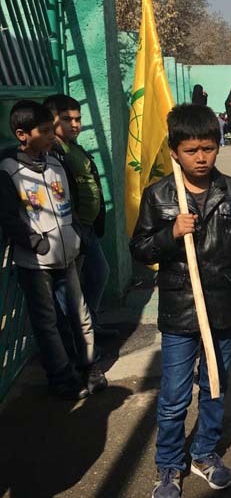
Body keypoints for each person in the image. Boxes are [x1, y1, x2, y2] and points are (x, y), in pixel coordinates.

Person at [130, 104, 231, 498]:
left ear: (218, 146)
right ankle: (169, 464)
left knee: (215, 386)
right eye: (191, 150)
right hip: (180, 311)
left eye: (208, 148)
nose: (201, 157)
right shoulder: (159, 195)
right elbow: (140, 248)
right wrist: (171, 233)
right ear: (174, 151)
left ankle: (204, 453)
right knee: (174, 396)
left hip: (222, 308)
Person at [0, 100, 106, 400]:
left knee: (80, 314)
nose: (50, 136)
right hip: (35, 263)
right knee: (47, 323)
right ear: (22, 135)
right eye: (44, 131)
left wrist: (75, 236)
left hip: (68, 255)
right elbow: (8, 217)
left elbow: (68, 205)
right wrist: (35, 242)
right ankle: (61, 377)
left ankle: (89, 366)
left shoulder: (56, 164)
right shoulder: (9, 171)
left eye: (51, 130)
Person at [43, 94, 116, 339]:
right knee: (71, 290)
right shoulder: (53, 152)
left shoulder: (72, 147)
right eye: (67, 119)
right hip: (72, 228)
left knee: (98, 274)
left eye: (78, 119)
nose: (75, 124)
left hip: (87, 227)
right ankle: (77, 339)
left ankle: (90, 327)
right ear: (50, 120)